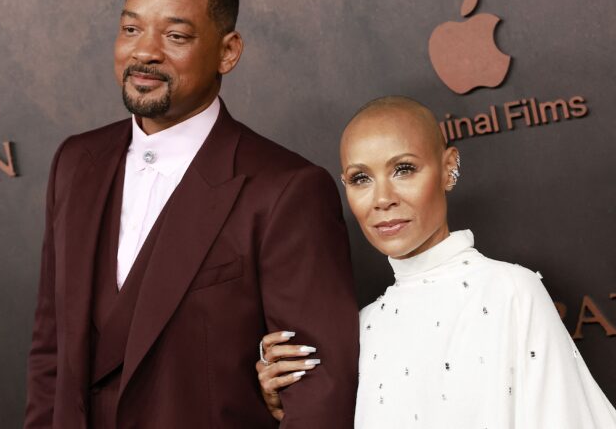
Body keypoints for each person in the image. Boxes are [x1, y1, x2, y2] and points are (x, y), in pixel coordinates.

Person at [24, 0, 359, 429]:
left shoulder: (286, 189)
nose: (144, 52)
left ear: (228, 51)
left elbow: (318, 394)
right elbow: (50, 353)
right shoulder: (75, 162)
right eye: (131, 29)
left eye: (175, 36)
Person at [256, 96, 616, 428]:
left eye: (404, 169)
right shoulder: (361, 328)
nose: (382, 198)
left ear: (448, 167)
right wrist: (290, 401)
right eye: (361, 178)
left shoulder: (511, 291)